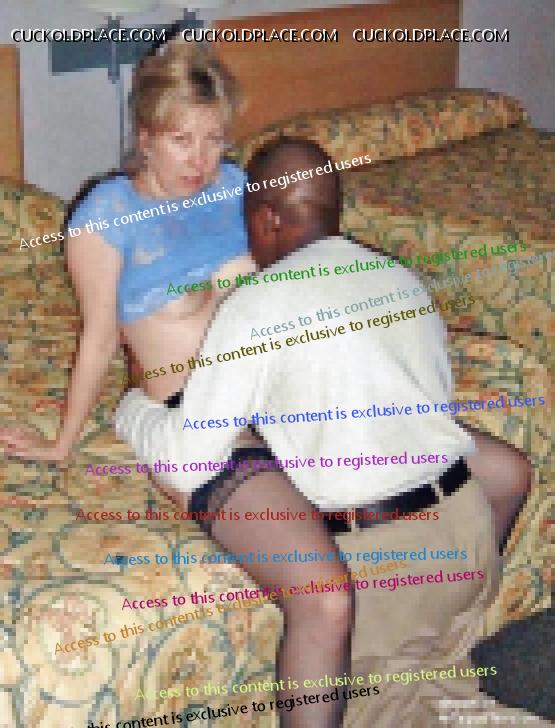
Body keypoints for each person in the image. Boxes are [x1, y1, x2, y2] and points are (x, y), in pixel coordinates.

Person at [115, 137, 539, 726]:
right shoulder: (399, 278)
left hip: (386, 571)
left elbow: (191, 454)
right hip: (467, 534)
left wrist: (133, 408)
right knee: (440, 700)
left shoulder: (259, 303)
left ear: (266, 219)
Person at [0, 44, 353, 728]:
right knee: (323, 591)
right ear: (144, 135)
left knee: (483, 475)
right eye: (180, 140)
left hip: (282, 393)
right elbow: (99, 337)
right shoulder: (106, 216)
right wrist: (62, 442)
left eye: (214, 139)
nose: (201, 159)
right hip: (195, 416)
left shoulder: (232, 188)